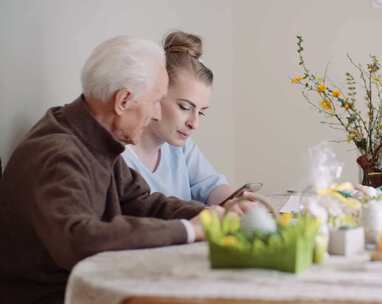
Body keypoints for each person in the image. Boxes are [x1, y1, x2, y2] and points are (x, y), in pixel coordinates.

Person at [0, 36, 231, 304]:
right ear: (123, 101)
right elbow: (79, 240)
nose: (156, 114)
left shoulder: (94, 137)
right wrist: (189, 230)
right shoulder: (59, 153)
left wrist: (213, 217)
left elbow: (140, 201)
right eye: (156, 101)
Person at [122, 31, 236, 205]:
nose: (194, 123)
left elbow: (211, 185)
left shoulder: (180, 147)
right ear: (155, 95)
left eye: (201, 112)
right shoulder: (119, 158)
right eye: (185, 107)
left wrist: (238, 201)